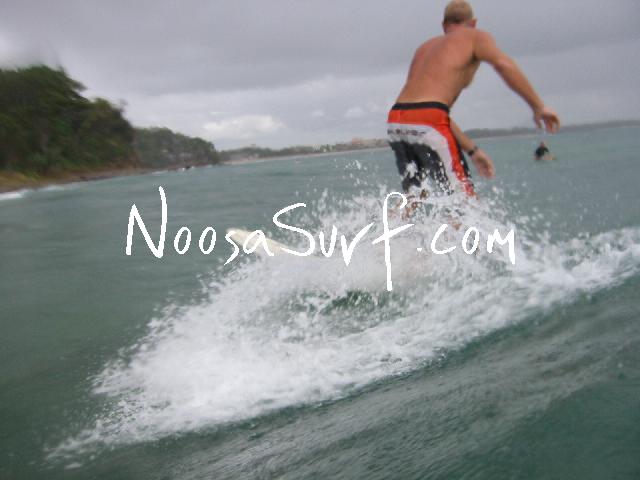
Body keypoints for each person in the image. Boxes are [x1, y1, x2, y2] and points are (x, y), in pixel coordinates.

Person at [388, 0, 560, 199]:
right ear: (473, 23)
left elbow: (428, 113)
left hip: (396, 120)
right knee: (464, 200)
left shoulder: (424, 48)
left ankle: (380, 220)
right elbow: (503, 64)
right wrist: (538, 107)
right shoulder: (475, 37)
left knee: (414, 198)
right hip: (428, 119)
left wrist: (472, 151)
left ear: (444, 25)